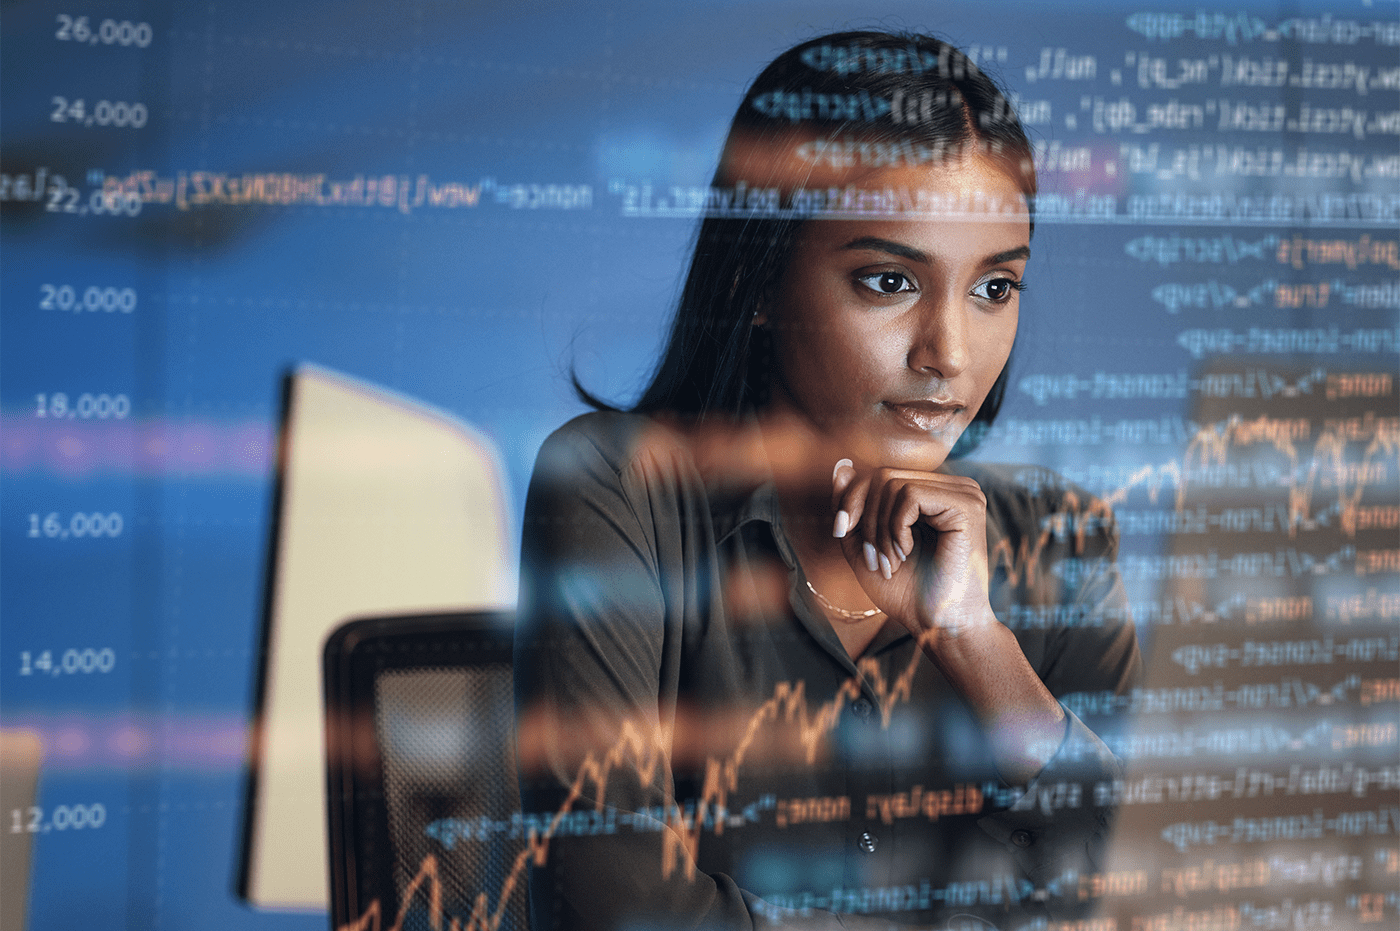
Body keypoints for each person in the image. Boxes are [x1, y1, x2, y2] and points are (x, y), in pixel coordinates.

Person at [513, 30, 1141, 931]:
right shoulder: (620, 486)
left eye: (995, 289)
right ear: (760, 275)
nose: (951, 356)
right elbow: (622, 912)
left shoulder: (1059, 535)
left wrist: (978, 644)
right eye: (889, 280)